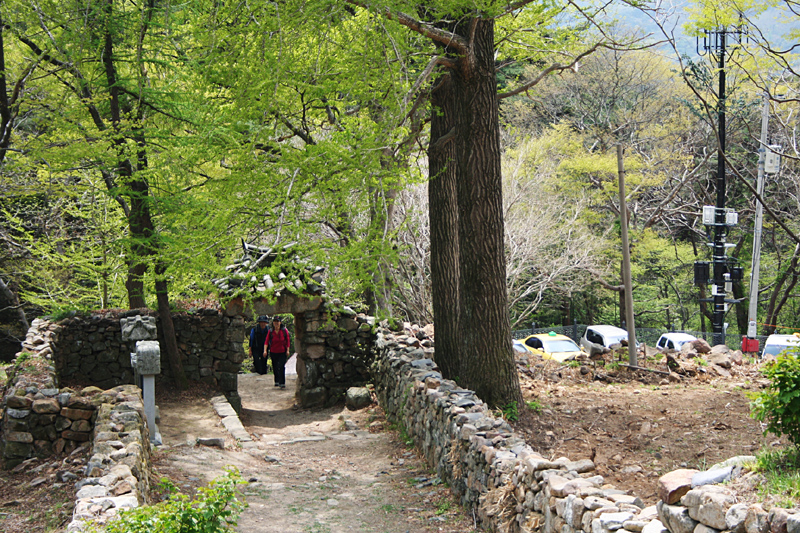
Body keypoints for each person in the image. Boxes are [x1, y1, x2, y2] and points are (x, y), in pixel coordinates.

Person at [266, 316, 291, 389]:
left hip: (282, 351)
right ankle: (277, 380)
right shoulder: (271, 331)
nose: (276, 323)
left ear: (280, 322)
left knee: (281, 366)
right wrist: (265, 350)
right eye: (275, 321)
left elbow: (288, 341)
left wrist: (288, 350)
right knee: (275, 366)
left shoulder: (284, 331)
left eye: (277, 321)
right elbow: (266, 341)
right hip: (273, 351)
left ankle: (282, 382)